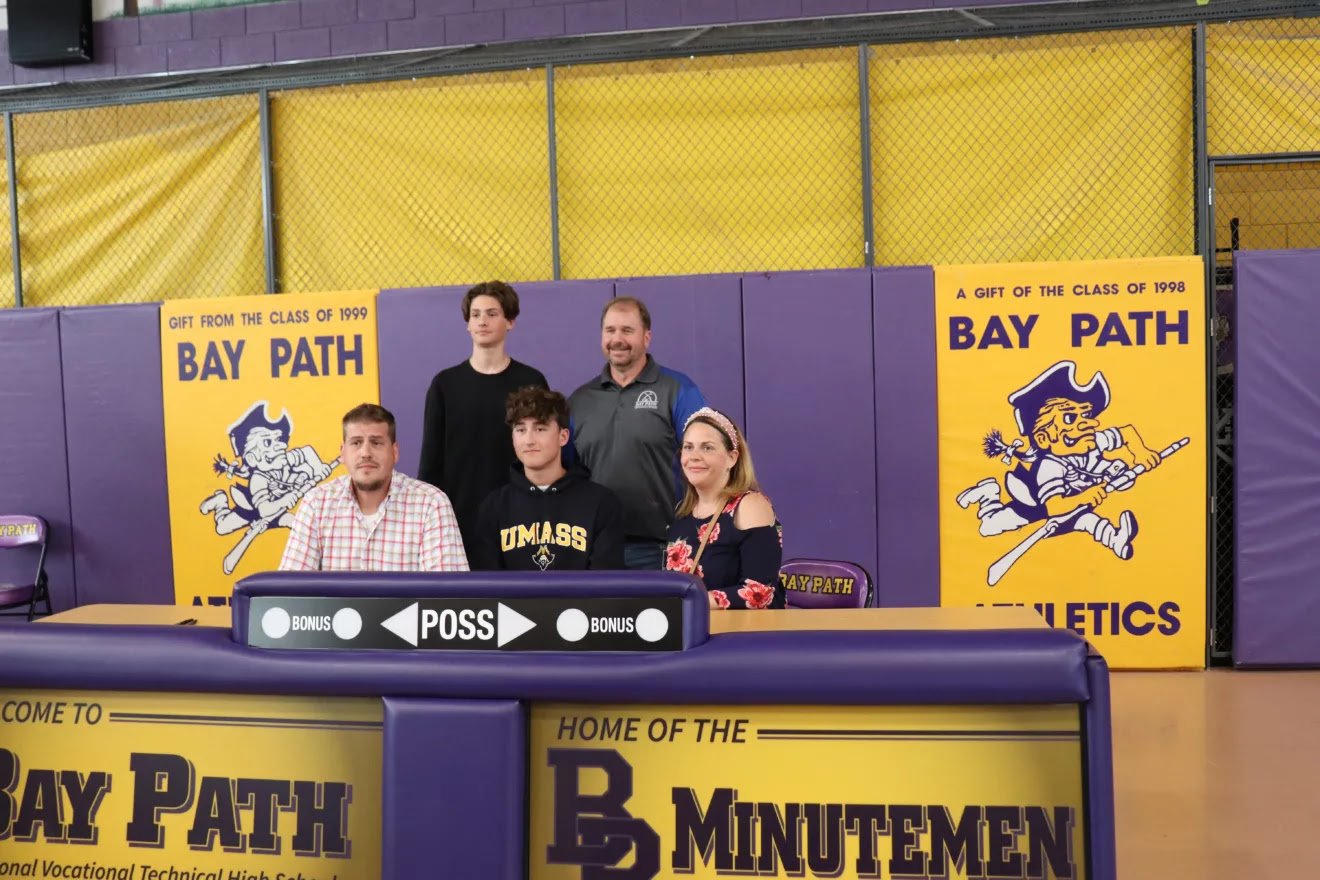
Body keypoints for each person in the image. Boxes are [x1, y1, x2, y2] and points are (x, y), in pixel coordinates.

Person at [569, 296, 706, 570]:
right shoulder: (580, 401)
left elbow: (707, 457)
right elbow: (566, 472)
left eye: (627, 330)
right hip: (594, 547)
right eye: (610, 330)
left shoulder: (678, 390)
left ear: (647, 337)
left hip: (661, 547)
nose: (617, 339)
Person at [417, 281, 547, 555]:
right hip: (458, 522)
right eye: (475, 314)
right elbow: (430, 462)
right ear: (467, 324)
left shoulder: (531, 382)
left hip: (519, 520)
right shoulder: (445, 385)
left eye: (492, 313)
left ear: (510, 321)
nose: (482, 321)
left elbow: (545, 455)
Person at [280, 403, 468, 572]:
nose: (365, 453)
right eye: (356, 443)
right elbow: (290, 589)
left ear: (395, 452)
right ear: (343, 453)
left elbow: (447, 593)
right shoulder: (316, 503)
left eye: (376, 443)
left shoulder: (431, 503)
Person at [472, 387, 625, 571]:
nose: (529, 440)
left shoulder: (602, 503)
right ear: (512, 438)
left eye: (540, 429)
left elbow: (605, 584)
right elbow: (487, 584)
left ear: (563, 436)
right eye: (521, 430)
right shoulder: (494, 507)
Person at [664, 407, 784, 610]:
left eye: (707, 447)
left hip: (744, 629)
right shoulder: (682, 511)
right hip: (693, 626)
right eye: (688, 447)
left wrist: (689, 601)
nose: (694, 456)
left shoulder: (750, 506)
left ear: (732, 458)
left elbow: (760, 593)